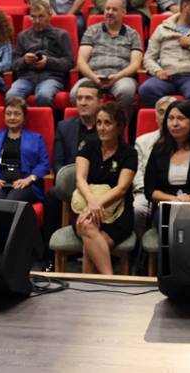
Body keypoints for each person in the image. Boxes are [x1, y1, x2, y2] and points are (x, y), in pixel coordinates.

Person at [73, 101, 137, 275]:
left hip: (118, 215)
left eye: (107, 123)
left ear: (119, 126)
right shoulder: (88, 145)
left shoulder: (129, 153)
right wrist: (92, 202)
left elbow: (122, 188)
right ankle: (110, 281)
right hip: (86, 208)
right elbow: (80, 179)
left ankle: (90, 292)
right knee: (87, 226)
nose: (101, 128)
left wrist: (96, 204)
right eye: (99, 122)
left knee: (90, 247)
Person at [143, 99, 190, 221]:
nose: (174, 123)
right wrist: (174, 200)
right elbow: (149, 190)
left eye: (180, 118)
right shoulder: (159, 149)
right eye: (171, 118)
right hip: (166, 206)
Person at [0, 98, 50, 203]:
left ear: (24, 117)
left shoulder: (36, 138)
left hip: (25, 184)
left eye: (17, 114)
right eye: (8, 114)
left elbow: (44, 164)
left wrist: (30, 179)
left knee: (11, 201)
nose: (12, 117)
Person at [8, 2, 75, 107]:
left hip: (51, 77)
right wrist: (24, 60)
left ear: (50, 16)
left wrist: (48, 62)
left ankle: (44, 123)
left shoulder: (61, 35)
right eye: (33, 17)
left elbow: (69, 62)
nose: (37, 21)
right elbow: (14, 63)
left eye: (41, 16)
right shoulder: (23, 36)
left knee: (43, 95)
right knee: (11, 95)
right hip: (26, 78)